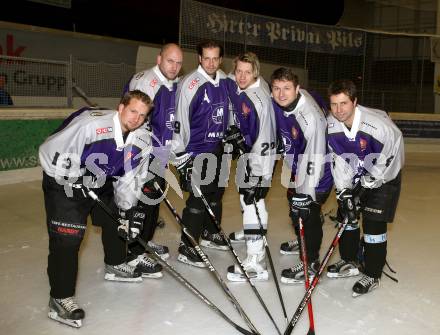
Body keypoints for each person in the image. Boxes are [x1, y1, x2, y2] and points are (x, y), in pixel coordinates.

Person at [39, 90, 161, 328]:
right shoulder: (92, 124)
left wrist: (127, 212)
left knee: (115, 217)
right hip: (64, 181)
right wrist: (72, 178)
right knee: (68, 238)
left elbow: (129, 179)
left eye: (142, 115)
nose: (136, 118)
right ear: (121, 107)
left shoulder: (141, 139)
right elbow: (50, 149)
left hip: (100, 179)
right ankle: (60, 298)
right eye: (133, 111)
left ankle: (115, 263)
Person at [326, 79, 404, 296]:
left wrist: (370, 182)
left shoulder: (379, 127)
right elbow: (339, 159)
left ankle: (372, 273)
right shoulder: (331, 125)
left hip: (385, 177)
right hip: (357, 173)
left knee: (373, 225)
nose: (338, 110)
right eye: (334, 104)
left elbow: (393, 153)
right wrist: (344, 191)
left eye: (344, 103)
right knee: (347, 214)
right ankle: (349, 261)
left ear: (355, 102)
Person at [270, 67, 333, 285]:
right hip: (298, 165)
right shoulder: (280, 102)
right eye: (276, 88)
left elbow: (315, 161)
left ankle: (311, 262)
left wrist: (306, 196)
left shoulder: (310, 120)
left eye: (287, 89)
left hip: (319, 171)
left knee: (307, 211)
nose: (281, 94)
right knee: (293, 203)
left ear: (297, 89)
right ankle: (303, 237)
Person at [171, 40, 230, 267]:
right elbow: (179, 122)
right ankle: (188, 245)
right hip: (197, 151)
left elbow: (229, 111)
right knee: (198, 198)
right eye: (206, 58)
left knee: (216, 194)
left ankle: (210, 232)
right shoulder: (190, 83)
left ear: (221, 59)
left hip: (219, 149)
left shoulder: (225, 80)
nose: (211, 62)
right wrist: (182, 157)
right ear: (199, 58)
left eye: (215, 58)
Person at [125, 43, 183, 264]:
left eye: (178, 63)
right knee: (140, 202)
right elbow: (135, 121)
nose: (174, 66)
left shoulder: (172, 83)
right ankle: (133, 253)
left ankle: (143, 242)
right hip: (143, 153)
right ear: (159, 59)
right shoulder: (147, 83)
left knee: (153, 200)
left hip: (159, 153)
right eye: (170, 61)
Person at [224, 52, 276, 281]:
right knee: (247, 196)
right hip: (253, 153)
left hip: (260, 158)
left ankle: (256, 259)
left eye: (247, 72)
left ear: (256, 72)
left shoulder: (257, 100)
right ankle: (252, 232)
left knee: (253, 199)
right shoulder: (249, 84)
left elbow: (259, 138)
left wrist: (241, 142)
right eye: (239, 71)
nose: (242, 76)